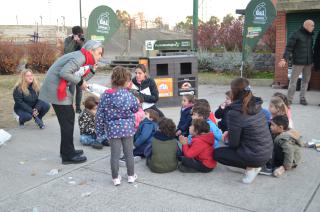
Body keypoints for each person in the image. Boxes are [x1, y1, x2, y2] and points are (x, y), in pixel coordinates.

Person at [39, 40, 104, 164]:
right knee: (67, 122)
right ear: (91, 50)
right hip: (56, 88)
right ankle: (68, 155)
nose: (100, 56)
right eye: (99, 53)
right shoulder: (80, 57)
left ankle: (68, 150)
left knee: (68, 121)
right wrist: (80, 82)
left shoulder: (81, 57)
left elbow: (80, 80)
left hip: (58, 87)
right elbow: (65, 73)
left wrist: (92, 71)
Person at [214, 78, 273, 184]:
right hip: (267, 152)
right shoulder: (256, 104)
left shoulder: (234, 112)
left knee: (217, 153)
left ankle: (251, 168)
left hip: (255, 157)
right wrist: (230, 132)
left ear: (234, 92)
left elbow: (234, 144)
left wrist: (227, 137)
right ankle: (254, 166)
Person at [95, 66, 139, 186]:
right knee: (129, 153)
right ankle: (131, 176)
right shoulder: (129, 95)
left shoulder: (106, 95)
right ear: (125, 81)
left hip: (113, 129)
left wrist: (99, 132)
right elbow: (135, 108)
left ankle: (115, 178)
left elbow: (99, 114)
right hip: (127, 128)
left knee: (114, 154)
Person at [279, 20, 315, 105]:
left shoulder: (310, 36)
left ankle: (302, 98)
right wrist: (284, 59)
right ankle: (289, 99)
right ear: (306, 25)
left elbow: (310, 49)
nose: (313, 27)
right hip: (298, 62)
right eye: (312, 25)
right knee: (293, 81)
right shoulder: (296, 34)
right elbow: (289, 48)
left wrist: (313, 61)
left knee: (306, 81)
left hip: (308, 63)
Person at [64, 26, 85, 113]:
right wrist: (73, 41)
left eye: (81, 34)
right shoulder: (68, 40)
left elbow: (84, 50)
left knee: (79, 88)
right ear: (74, 34)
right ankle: (70, 107)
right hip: (71, 65)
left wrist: (79, 42)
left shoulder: (83, 39)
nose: (80, 35)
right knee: (71, 88)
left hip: (81, 66)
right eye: (78, 34)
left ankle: (78, 107)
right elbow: (67, 51)